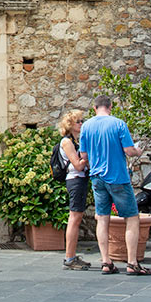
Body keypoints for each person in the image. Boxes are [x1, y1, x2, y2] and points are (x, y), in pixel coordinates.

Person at [79, 95, 151, 276]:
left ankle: (105, 261)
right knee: (132, 218)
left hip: (97, 177)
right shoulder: (119, 124)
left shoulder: (86, 126)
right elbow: (129, 150)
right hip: (117, 176)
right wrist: (138, 150)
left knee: (102, 218)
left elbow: (84, 155)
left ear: (95, 108)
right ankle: (132, 263)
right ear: (110, 107)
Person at [58, 110, 90, 270]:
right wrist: (88, 157)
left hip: (80, 180)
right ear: (70, 125)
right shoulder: (67, 142)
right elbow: (77, 165)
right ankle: (69, 258)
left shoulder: (76, 141)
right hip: (75, 181)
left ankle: (71, 256)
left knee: (76, 217)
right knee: (74, 217)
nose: (82, 124)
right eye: (79, 122)